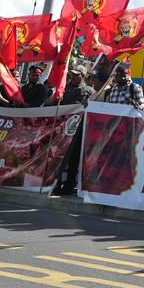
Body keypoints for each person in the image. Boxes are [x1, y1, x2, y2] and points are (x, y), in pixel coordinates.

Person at [52, 68, 94, 197]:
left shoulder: (89, 91)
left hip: (78, 130)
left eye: (76, 75)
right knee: (59, 158)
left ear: (83, 76)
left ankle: (69, 186)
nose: (73, 77)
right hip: (62, 129)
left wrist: (87, 104)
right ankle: (55, 184)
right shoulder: (63, 87)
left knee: (74, 159)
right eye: (72, 75)